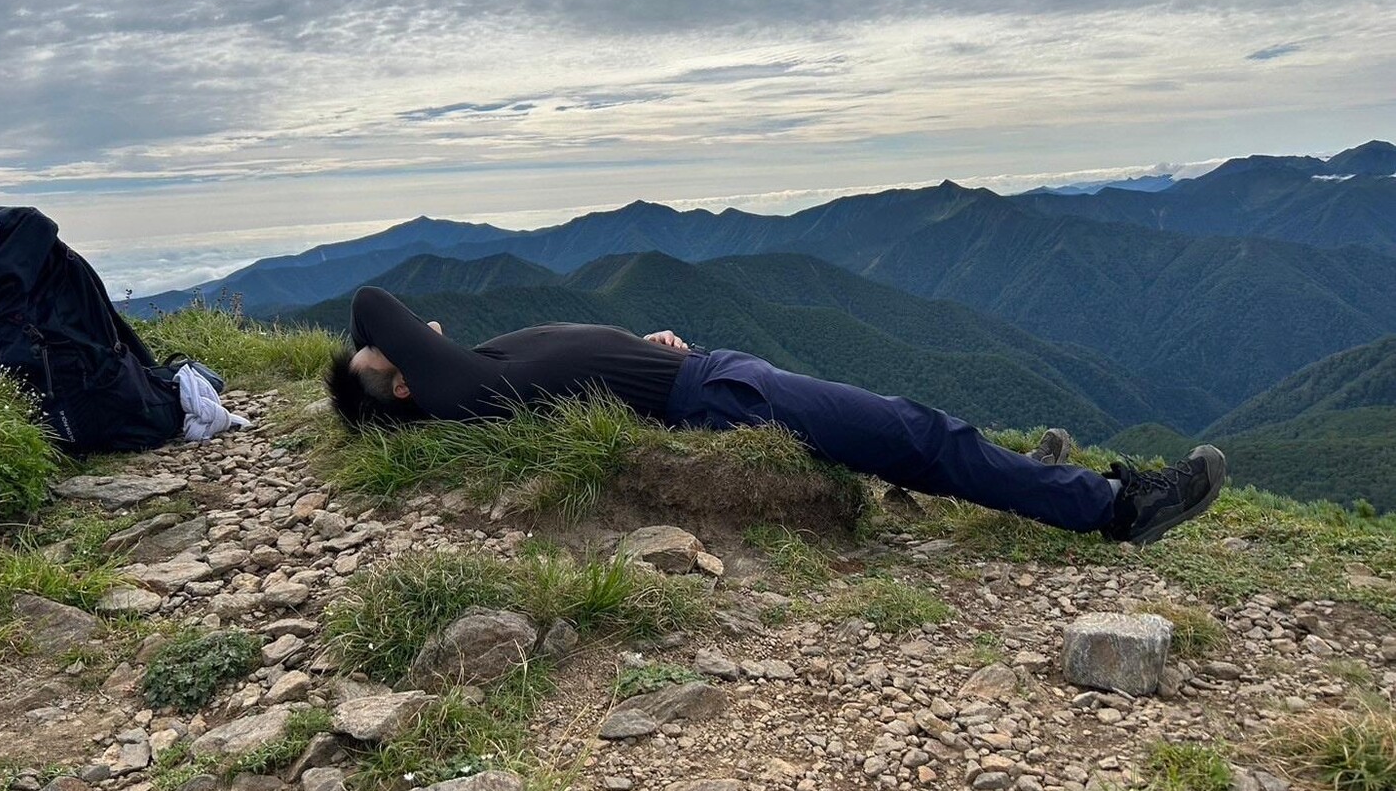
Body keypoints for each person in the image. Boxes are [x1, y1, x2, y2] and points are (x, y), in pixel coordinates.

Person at [326, 286, 1226, 545]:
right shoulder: (456, 388)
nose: (422, 330)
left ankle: (1028, 473)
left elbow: (582, 370)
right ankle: (1116, 507)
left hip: (707, 376)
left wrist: (637, 345)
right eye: (396, 353)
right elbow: (372, 301)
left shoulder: (480, 371)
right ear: (405, 384)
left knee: (913, 430)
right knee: (915, 434)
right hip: (721, 398)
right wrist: (365, 357)